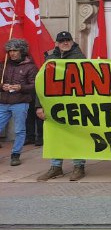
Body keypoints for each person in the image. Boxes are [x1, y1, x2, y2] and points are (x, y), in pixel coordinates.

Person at [36, 32, 89, 181]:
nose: (65, 43)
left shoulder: (80, 58)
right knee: (54, 135)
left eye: (68, 40)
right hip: (54, 105)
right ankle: (56, 167)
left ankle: (79, 166)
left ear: (72, 42)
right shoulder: (50, 59)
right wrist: (39, 106)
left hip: (74, 104)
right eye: (62, 41)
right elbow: (41, 84)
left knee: (76, 135)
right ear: (57, 43)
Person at [0, 39, 37, 167]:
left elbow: (35, 85)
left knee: (19, 130)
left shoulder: (31, 67)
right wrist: (2, 86)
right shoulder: (4, 64)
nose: (12, 53)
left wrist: (20, 87)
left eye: (15, 50)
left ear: (22, 51)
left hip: (20, 102)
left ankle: (15, 155)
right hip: (3, 102)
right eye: (10, 50)